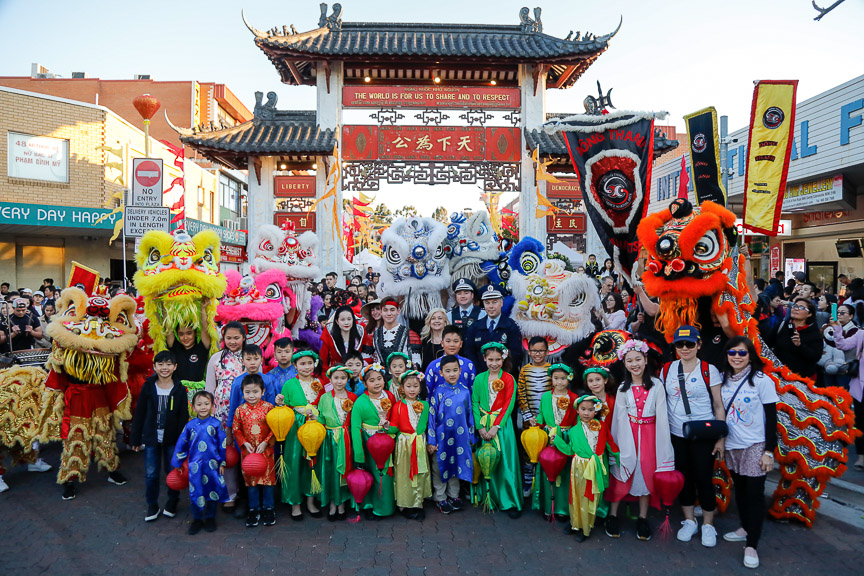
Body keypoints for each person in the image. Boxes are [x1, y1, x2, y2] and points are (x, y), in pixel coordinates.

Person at [660, 326, 725, 547]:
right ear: (675, 346)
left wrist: (721, 437)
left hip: (703, 433)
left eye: (689, 344)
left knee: (704, 478)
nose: (685, 348)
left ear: (698, 345)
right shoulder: (667, 369)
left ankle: (708, 524)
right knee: (683, 478)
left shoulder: (709, 369)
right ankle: (689, 521)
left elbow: (718, 405)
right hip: (676, 433)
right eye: (680, 344)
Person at [719, 336, 778, 569]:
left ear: (750, 355)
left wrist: (769, 452)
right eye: (732, 352)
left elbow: (772, 419)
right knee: (741, 491)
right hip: (732, 445)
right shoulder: (722, 380)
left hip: (755, 446)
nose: (736, 357)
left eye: (742, 353)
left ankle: (752, 545)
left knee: (754, 494)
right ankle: (745, 527)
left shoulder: (762, 381)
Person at [606, 339, 675, 541]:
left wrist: (663, 445)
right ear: (624, 364)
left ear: (645, 360)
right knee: (622, 471)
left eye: (638, 359)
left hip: (650, 435)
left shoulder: (656, 386)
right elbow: (618, 419)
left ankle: (643, 516)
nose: (634, 364)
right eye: (629, 360)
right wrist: (618, 445)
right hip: (627, 433)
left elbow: (662, 416)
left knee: (647, 472)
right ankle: (612, 514)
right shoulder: (622, 388)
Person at [130, 350, 189, 522]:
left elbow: (182, 417)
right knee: (151, 473)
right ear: (154, 366)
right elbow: (139, 413)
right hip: (151, 438)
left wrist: (182, 442)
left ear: (175, 367)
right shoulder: (148, 386)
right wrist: (135, 438)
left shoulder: (179, 389)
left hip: (172, 440)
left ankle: (172, 501)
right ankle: (152, 505)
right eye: (161, 364)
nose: (165, 367)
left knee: (172, 472)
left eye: (169, 364)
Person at [553, 395, 617, 541]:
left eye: (590, 409)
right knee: (576, 495)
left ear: (596, 411)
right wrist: (557, 440)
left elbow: (610, 444)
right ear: (577, 410)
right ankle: (575, 523)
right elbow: (570, 450)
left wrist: (620, 457)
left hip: (594, 468)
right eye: (583, 409)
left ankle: (586, 528)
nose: (587, 413)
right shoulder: (574, 431)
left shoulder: (602, 427)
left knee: (591, 498)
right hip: (578, 467)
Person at [473, 342, 522, 518]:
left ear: (503, 359)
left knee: (505, 462)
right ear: (484, 359)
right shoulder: (479, 379)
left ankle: (509, 500)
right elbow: (475, 403)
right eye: (490, 359)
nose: (494, 363)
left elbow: (509, 404)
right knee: (487, 459)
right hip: (485, 426)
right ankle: (490, 496)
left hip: (501, 427)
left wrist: (496, 426)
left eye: (498, 359)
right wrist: (480, 427)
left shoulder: (509, 379)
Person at [172, 391, 229, 535]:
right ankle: (197, 519)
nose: (203, 407)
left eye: (206, 403)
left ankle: (210, 517)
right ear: (193, 407)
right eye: (199, 404)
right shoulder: (190, 426)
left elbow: (222, 445)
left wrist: (222, 463)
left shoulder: (216, 424)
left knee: (213, 490)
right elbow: (181, 444)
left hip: (213, 466)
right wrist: (178, 463)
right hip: (195, 466)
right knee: (196, 491)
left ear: (212, 406)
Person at [204, 319, 246, 509]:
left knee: (244, 452)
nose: (233, 341)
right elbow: (209, 388)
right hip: (220, 412)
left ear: (244, 338)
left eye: (236, 337)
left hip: (244, 411)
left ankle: (246, 494)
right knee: (226, 453)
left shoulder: (249, 357)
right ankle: (229, 493)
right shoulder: (216, 358)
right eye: (229, 338)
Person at [278, 350, 324, 519]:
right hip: (296, 428)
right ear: (295, 366)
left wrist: (316, 416)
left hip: (314, 427)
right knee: (294, 462)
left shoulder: (320, 383)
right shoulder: (289, 385)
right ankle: (295, 503)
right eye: (302, 364)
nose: (306, 367)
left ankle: (311, 501)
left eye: (309, 363)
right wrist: (280, 404)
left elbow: (323, 406)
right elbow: (285, 408)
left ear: (315, 364)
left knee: (312, 462)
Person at [427, 355, 474, 514]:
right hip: (441, 439)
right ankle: (440, 497)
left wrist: (471, 436)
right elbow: (432, 416)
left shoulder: (465, 391)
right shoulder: (438, 391)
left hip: (460, 438)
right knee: (439, 467)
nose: (452, 374)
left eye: (455, 370)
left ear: (460, 371)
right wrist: (431, 440)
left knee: (456, 466)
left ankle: (454, 495)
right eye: (448, 371)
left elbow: (470, 416)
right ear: (441, 373)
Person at [533, 363, 579, 520]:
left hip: (566, 438)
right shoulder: (546, 396)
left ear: (569, 379)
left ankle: (562, 509)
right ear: (551, 379)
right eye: (556, 378)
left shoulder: (574, 399)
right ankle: (548, 507)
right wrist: (536, 421)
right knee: (547, 471)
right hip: (548, 437)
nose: (559, 382)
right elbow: (541, 416)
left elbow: (576, 422)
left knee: (565, 473)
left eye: (563, 379)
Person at [351, 364, 397, 519]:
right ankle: (370, 506)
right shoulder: (360, 402)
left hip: (387, 441)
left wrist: (392, 430)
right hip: (368, 441)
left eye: (379, 379)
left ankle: (385, 507)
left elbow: (394, 418)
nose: (377, 383)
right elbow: (355, 428)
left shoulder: (389, 397)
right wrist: (358, 453)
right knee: (371, 474)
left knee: (386, 474)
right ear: (365, 384)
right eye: (372, 380)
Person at [233, 374, 277, 528]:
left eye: (255, 392)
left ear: (263, 392)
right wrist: (244, 443)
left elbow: (274, 428)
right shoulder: (240, 410)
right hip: (248, 453)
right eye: (248, 392)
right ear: (242, 392)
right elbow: (236, 430)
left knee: (267, 481)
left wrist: (266, 443)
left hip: (266, 452)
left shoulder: (269, 408)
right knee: (251, 482)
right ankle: (253, 509)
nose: (251, 396)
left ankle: (269, 508)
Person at [391, 370, 433, 520]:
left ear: (420, 388)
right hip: (404, 444)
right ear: (402, 388)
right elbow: (395, 426)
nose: (412, 389)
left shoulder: (425, 405)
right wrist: (385, 426)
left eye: (415, 386)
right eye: (408, 386)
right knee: (404, 473)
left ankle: (418, 503)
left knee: (420, 473)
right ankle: (403, 504)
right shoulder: (398, 406)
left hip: (419, 442)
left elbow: (427, 425)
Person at [317, 365, 357, 520]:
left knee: (345, 471)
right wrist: (313, 418)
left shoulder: (352, 397)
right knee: (331, 471)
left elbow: (355, 421)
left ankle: (342, 504)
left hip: (346, 439)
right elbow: (321, 419)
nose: (339, 381)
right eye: (336, 378)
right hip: (329, 441)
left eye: (343, 378)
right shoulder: (325, 398)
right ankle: (333, 503)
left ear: (347, 379)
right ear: (330, 379)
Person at [464, 285, 523, 377]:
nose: (491, 306)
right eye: (487, 303)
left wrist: (502, 375)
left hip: (506, 377)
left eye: (494, 302)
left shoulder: (511, 326)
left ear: (501, 303)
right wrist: (482, 375)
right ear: (483, 304)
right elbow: (470, 353)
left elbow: (516, 355)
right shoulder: (474, 327)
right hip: (481, 378)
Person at [831, 315, 864, 472]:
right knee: (861, 421)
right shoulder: (861, 334)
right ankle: (861, 456)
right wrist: (837, 328)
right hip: (861, 385)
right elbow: (842, 345)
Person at [765, 297, 823, 380]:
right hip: (779, 376)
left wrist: (799, 346)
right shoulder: (782, 326)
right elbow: (766, 344)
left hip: (803, 379)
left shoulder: (813, 332)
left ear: (809, 314)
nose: (796, 309)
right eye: (795, 306)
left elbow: (815, 357)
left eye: (802, 308)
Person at [424, 325, 475, 398]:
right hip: (439, 408)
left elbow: (472, 392)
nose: (452, 345)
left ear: (461, 344)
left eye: (456, 341)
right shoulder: (433, 366)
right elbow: (427, 392)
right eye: (448, 341)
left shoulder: (468, 365)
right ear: (442, 343)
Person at [372, 297, 421, 367]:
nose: (389, 313)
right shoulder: (376, 335)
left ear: (398, 311)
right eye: (385, 310)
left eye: (392, 310)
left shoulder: (410, 334)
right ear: (381, 312)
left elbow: (417, 361)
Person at [167, 313, 211, 383]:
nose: (185, 337)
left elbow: (205, 328)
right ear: (177, 335)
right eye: (181, 334)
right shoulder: (175, 348)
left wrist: (203, 308)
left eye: (189, 333)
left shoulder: (201, 348)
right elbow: (168, 326)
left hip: (197, 391)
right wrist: (164, 305)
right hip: (177, 390)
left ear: (195, 333)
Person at [517, 336, 551, 428]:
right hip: (529, 417)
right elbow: (521, 394)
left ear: (547, 352)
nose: (537, 354)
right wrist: (528, 416)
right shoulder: (524, 370)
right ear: (529, 352)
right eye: (534, 351)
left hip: (547, 416)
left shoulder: (551, 370)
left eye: (541, 350)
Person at [320, 305, 365, 371]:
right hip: (336, 376)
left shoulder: (361, 335)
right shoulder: (330, 336)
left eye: (349, 319)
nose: (346, 323)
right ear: (337, 321)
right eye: (342, 320)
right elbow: (323, 360)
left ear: (353, 320)